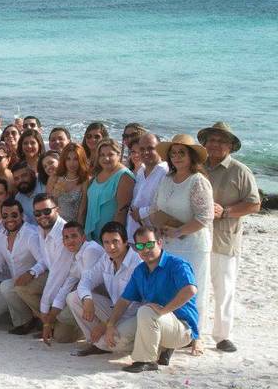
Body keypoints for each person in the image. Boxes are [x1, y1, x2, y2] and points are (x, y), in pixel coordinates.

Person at [199, 122, 261, 353]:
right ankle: (194, 332)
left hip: (225, 238)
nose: (215, 144)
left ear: (231, 146)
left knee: (224, 289)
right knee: (197, 287)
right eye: (211, 140)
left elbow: (254, 204)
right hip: (197, 237)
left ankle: (222, 336)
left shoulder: (240, 170)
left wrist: (225, 212)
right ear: (204, 144)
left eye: (221, 141)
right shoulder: (197, 167)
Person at [103, 227, 202, 372]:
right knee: (117, 340)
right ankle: (161, 347)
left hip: (182, 327)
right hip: (156, 321)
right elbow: (124, 300)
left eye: (150, 244)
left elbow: (190, 290)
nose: (145, 249)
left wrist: (164, 310)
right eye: (140, 246)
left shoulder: (177, 264)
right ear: (136, 248)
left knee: (145, 311)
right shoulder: (140, 270)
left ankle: (147, 361)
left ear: (160, 243)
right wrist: (110, 325)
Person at [151, 134, 214, 332]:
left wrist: (178, 231)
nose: (177, 157)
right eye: (173, 153)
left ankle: (196, 334)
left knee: (194, 288)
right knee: (171, 288)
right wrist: (159, 226)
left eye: (182, 153)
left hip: (192, 246)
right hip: (168, 243)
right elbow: (154, 206)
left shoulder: (197, 181)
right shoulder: (166, 179)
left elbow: (205, 216)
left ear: (191, 156)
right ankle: (175, 332)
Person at [65, 221, 141, 356]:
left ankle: (144, 343)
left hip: (134, 316)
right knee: (74, 297)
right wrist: (87, 299)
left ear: (125, 242)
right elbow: (86, 280)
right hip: (115, 310)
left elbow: (134, 306)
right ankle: (95, 343)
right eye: (106, 242)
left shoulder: (137, 263)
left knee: (110, 342)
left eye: (115, 241)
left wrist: (106, 324)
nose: (111, 247)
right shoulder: (106, 259)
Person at [0, 199, 44, 333]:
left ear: (22, 216)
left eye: (14, 215)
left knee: (5, 285)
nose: (9, 219)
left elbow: (44, 261)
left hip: (35, 282)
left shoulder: (31, 235)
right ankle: (27, 315)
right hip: (16, 285)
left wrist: (31, 273)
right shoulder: (1, 236)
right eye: (5, 216)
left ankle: (29, 321)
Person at [36, 222, 104, 345]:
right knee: (61, 336)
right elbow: (64, 289)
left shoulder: (91, 250)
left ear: (83, 237)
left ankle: (96, 341)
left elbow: (87, 283)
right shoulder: (75, 257)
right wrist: (47, 322)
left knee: (72, 298)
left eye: (74, 236)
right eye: (66, 237)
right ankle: (89, 332)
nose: (70, 240)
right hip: (94, 299)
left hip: (108, 300)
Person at [13, 193, 66, 333]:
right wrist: (32, 271)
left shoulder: (65, 233)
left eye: (47, 211)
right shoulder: (41, 229)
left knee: (63, 338)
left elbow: (58, 275)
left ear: (57, 210)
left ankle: (49, 320)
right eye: (37, 213)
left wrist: (44, 307)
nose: (42, 216)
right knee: (21, 286)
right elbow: (45, 260)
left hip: (69, 283)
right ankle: (50, 322)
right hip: (54, 277)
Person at [84, 139, 135, 242]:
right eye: (102, 155)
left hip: (109, 237)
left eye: (110, 154)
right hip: (92, 234)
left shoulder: (124, 176)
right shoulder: (99, 172)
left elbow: (122, 212)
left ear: (119, 154)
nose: (106, 158)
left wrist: (114, 239)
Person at [49, 143, 91, 223]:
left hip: (73, 225)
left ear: (81, 160)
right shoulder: (55, 177)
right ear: (63, 160)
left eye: (76, 159)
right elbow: (48, 204)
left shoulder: (85, 180)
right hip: (55, 223)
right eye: (68, 159)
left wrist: (77, 229)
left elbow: (82, 210)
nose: (72, 163)